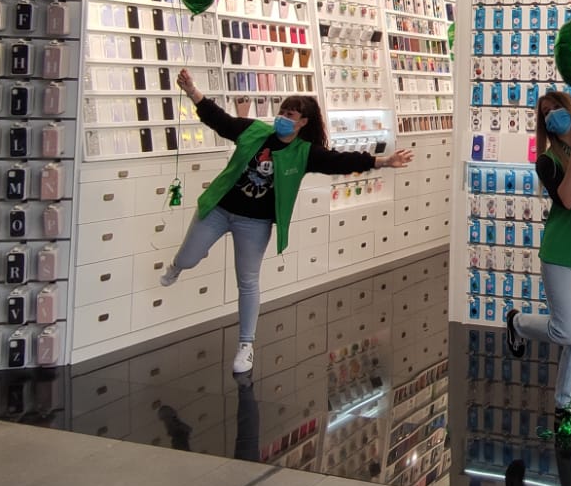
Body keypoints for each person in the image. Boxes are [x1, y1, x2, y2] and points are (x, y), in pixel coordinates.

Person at [165, 69, 412, 374]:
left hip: (254, 223)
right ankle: (178, 266)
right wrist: (192, 90)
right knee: (188, 259)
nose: (283, 117)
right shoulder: (254, 131)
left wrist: (383, 161)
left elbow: (340, 161)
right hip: (219, 209)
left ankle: (246, 346)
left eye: (290, 114)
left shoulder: (305, 153)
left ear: (303, 122)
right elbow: (220, 120)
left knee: (248, 281)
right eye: (282, 111)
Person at [503, 89, 571, 439]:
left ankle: (565, 403)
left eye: (556, 108)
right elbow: (567, 199)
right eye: (545, 113)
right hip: (563, 249)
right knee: (567, 330)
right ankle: (518, 323)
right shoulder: (548, 161)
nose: (552, 116)